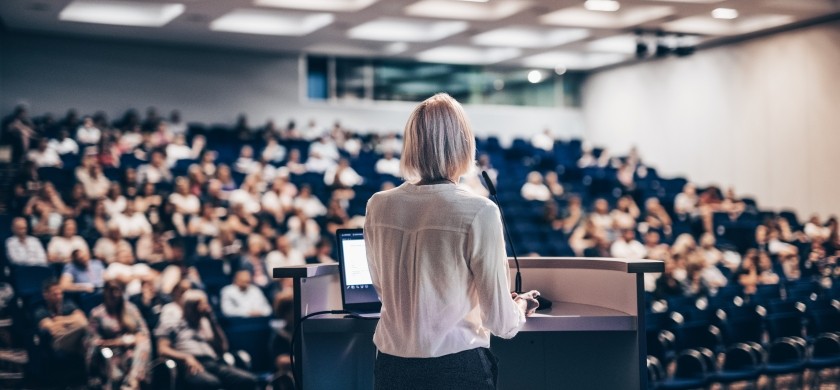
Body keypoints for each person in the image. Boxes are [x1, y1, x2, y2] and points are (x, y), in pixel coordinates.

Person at [364, 93, 539, 389]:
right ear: (463, 144)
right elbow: (501, 323)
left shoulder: (378, 205)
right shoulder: (480, 210)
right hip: (457, 368)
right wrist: (520, 305)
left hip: (392, 366)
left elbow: (384, 288)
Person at [155, 290, 258, 389]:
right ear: (189, 306)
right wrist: (186, 357)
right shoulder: (174, 323)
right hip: (190, 365)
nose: (205, 308)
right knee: (211, 383)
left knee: (248, 380)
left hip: (214, 362)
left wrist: (212, 321)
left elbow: (222, 349)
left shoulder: (205, 322)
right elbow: (162, 349)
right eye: (200, 304)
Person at [88, 280, 151, 390]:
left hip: (133, 352)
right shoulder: (97, 313)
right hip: (111, 353)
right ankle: (131, 384)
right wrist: (120, 341)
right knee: (134, 353)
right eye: (110, 291)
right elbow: (93, 342)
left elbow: (144, 332)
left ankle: (132, 381)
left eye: (117, 291)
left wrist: (132, 339)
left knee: (144, 344)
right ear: (105, 292)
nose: (114, 294)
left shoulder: (131, 309)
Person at [33, 279, 89, 355]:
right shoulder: (40, 310)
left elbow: (82, 319)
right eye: (55, 294)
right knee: (83, 328)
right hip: (58, 343)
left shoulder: (68, 304)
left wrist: (58, 320)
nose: (59, 297)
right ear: (46, 295)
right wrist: (73, 322)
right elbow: (53, 330)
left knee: (85, 342)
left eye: (61, 294)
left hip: (74, 338)